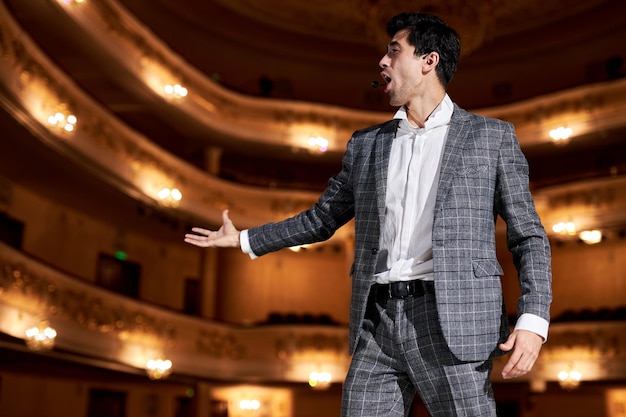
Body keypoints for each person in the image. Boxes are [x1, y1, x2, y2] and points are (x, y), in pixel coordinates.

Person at [185, 12, 552, 417]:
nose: (382, 61)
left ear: (429, 61)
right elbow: (321, 219)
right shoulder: (366, 145)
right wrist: (244, 238)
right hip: (377, 321)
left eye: (394, 51)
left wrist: (533, 320)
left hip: (452, 323)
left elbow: (528, 236)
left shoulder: (492, 137)